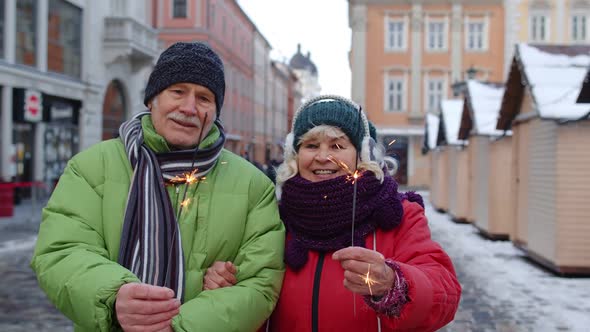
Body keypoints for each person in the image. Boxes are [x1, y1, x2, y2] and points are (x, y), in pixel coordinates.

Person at [30, 42, 285, 332]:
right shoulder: (90, 168)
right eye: (177, 91)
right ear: (152, 99)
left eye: (204, 98)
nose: (189, 108)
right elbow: (62, 251)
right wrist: (113, 296)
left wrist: (180, 327)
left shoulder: (254, 186)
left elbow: (261, 282)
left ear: (215, 111)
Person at [204, 95, 461, 331]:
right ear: (295, 155)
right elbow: (254, 307)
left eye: (338, 146)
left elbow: (444, 293)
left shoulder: (399, 214)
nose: (323, 157)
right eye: (311, 145)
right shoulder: (272, 217)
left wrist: (394, 283)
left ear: (363, 154)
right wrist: (229, 288)